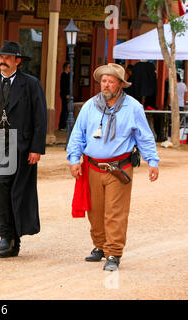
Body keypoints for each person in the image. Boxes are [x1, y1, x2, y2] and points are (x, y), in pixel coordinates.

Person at [67, 63, 160, 271]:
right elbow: (77, 134)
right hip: (92, 167)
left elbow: (144, 137)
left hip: (120, 169)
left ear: (120, 85)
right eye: (103, 81)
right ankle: (100, 246)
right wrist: (74, 159)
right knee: (95, 211)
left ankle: (113, 253)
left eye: (110, 81)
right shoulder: (90, 106)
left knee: (115, 212)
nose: (105, 85)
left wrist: (152, 161)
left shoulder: (133, 107)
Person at [0, 40, 47, 258]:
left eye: (7, 58)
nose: (2, 61)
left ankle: (11, 237)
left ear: (17, 61)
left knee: (15, 191)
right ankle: (8, 237)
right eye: (0, 57)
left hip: (22, 146)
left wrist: (36, 148)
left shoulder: (31, 84)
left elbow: (40, 118)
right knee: (1, 186)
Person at [58, 61, 70, 130]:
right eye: (69, 67)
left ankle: (64, 125)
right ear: (65, 68)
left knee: (66, 110)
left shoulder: (68, 75)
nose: (70, 69)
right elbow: (63, 86)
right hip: (64, 95)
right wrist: (66, 94)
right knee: (64, 110)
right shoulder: (63, 75)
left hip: (67, 94)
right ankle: (62, 126)